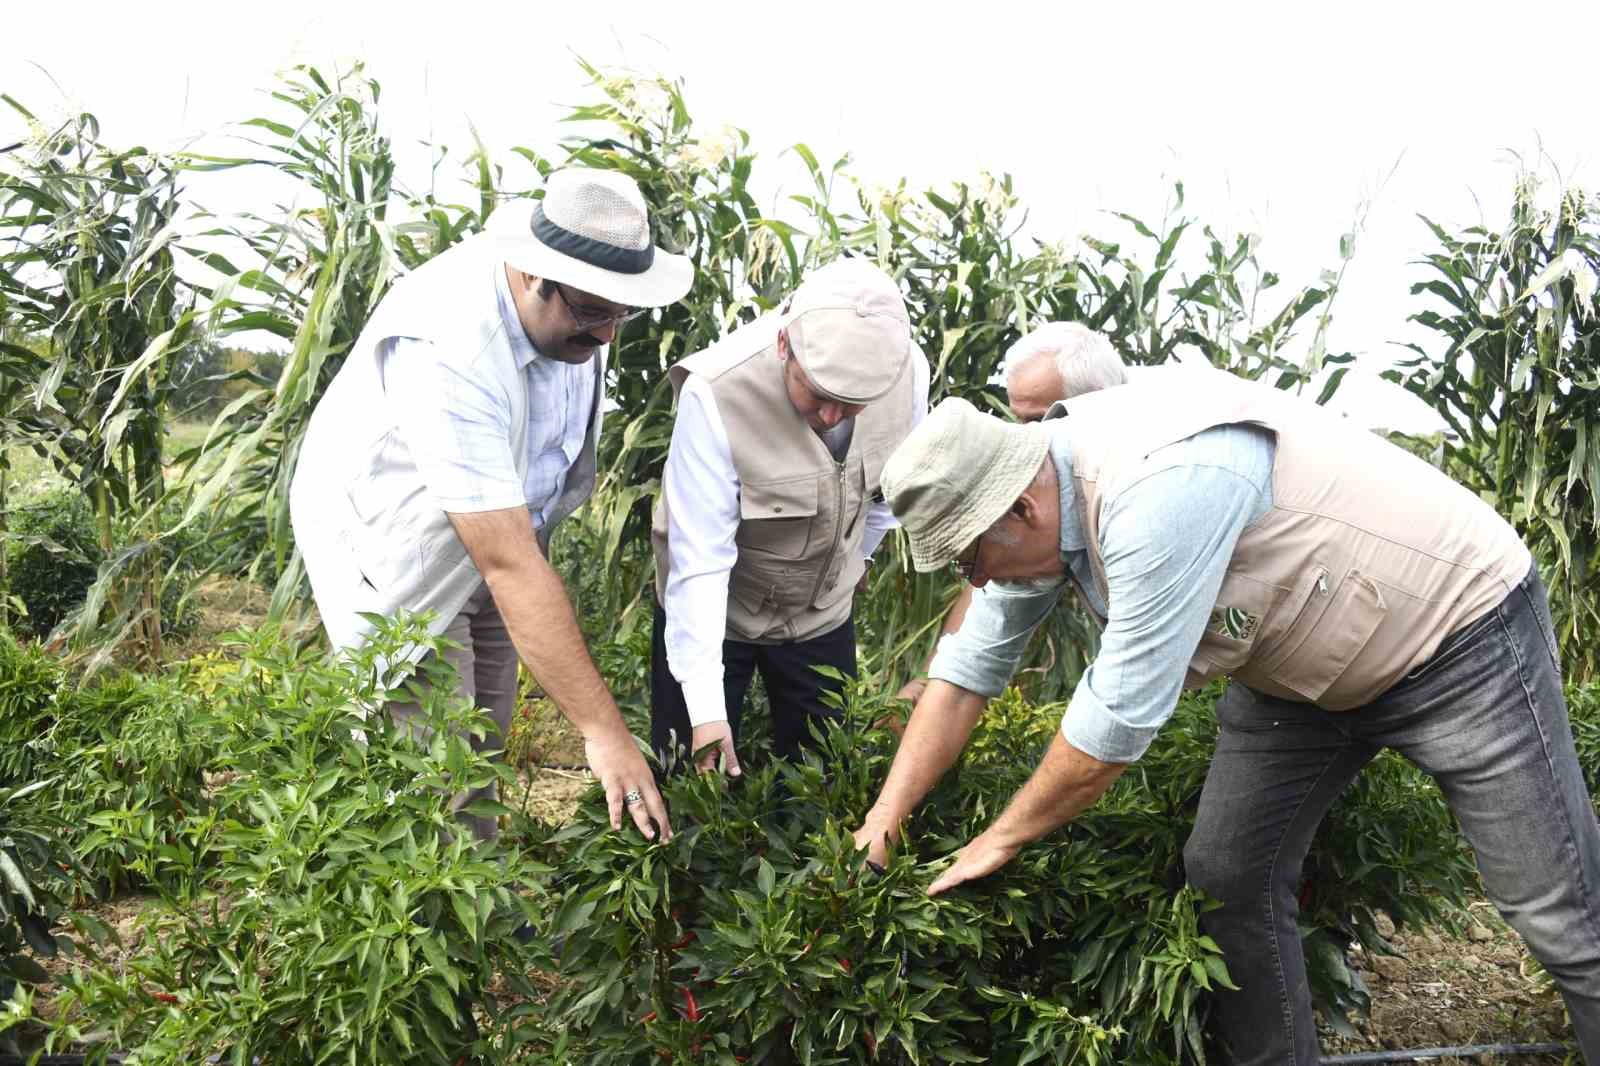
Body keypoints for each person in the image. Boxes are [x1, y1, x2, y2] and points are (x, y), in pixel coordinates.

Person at [851, 369, 1600, 1065]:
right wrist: (885, 819)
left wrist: (997, 841)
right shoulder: (1034, 497)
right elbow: (964, 674)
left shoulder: (1158, 490)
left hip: (1454, 633)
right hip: (1298, 667)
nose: (972, 578)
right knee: (1226, 874)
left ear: (1020, 507)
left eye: (968, 557)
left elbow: (1113, 723)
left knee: (1559, 911)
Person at [291, 168, 689, 843]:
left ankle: (476, 901)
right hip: (400, 555)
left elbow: (512, 544)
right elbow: (507, 562)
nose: (608, 339)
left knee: (482, 736)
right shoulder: (452, 345)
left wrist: (594, 318)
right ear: (535, 276)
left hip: (501, 540)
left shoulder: (574, 315)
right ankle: (424, 923)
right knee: (429, 754)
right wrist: (604, 733)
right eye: (596, 315)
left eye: (623, 314)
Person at [649, 258, 930, 777]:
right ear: (784, 345)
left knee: (820, 782)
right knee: (689, 781)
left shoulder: (904, 371)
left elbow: (890, 492)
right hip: (718, 615)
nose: (831, 418)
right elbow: (700, 562)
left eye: (851, 405)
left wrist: (855, 561)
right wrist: (707, 714)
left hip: (821, 618)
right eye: (819, 395)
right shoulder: (715, 393)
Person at [896, 322, 1127, 706]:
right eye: (1017, 420)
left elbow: (1130, 689)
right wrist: (931, 681)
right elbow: (988, 593)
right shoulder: (1043, 495)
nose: (1028, 438)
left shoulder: (1140, 480)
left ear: (1097, 402)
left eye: (1040, 421)